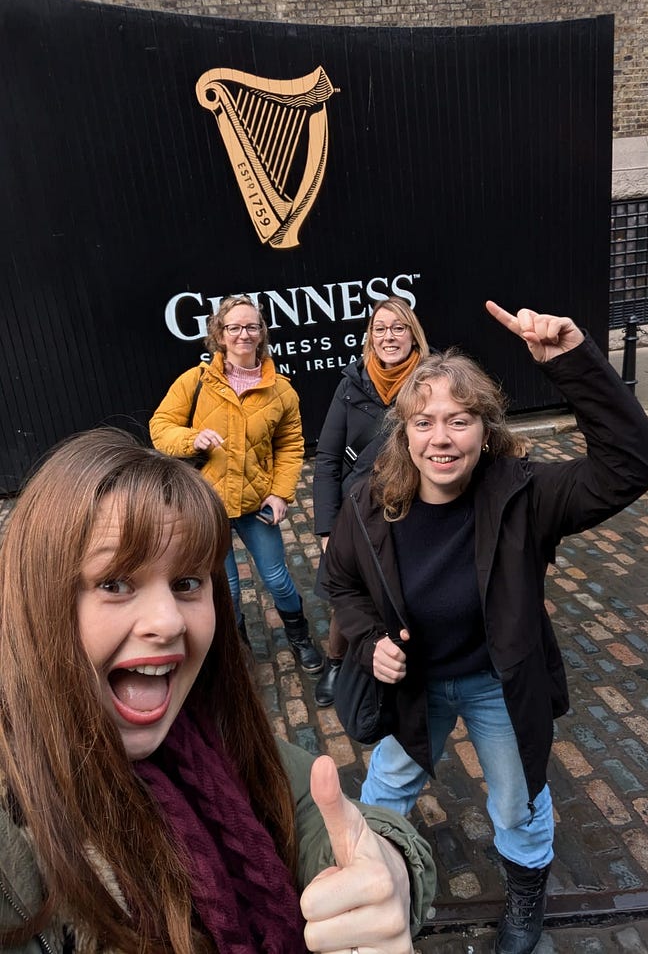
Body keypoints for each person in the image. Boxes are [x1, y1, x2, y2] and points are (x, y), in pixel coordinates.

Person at [0, 428, 436, 954]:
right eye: (115, 583)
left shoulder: (214, 737)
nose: (168, 622)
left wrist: (387, 872)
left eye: (187, 583)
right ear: (36, 599)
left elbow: (320, 818)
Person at [324, 301, 648, 954]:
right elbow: (340, 583)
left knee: (516, 799)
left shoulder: (524, 495)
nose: (441, 438)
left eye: (460, 420)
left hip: (497, 684)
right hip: (416, 685)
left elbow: (634, 465)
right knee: (384, 790)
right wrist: (369, 643)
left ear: (486, 429)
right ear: (405, 432)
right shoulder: (371, 503)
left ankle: (526, 892)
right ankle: (375, 887)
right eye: (424, 422)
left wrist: (571, 361)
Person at [150, 294, 322, 674]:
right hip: (206, 506)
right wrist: (191, 439)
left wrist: (280, 493)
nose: (243, 334)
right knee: (226, 589)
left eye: (251, 326)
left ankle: (300, 638)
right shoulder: (195, 382)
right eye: (234, 327)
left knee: (277, 579)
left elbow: (291, 445)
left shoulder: (281, 390)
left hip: (256, 504)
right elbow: (160, 428)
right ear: (220, 335)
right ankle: (237, 651)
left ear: (261, 335)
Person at [312, 297, 430, 706]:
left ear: (412, 334)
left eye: (398, 327)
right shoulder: (352, 384)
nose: (388, 336)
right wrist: (327, 528)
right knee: (348, 592)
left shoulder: (431, 382)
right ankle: (336, 661)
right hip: (359, 512)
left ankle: (410, 655)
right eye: (380, 328)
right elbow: (327, 458)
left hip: (418, 506)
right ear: (369, 337)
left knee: (412, 589)